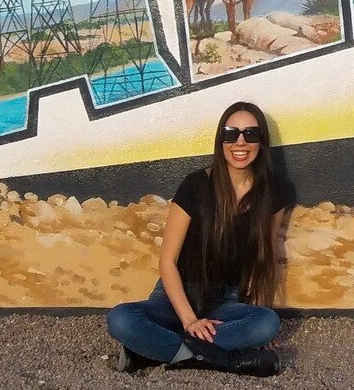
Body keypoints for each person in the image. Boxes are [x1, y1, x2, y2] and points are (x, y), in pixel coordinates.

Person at [106, 102, 288, 375]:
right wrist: (190, 320)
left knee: (266, 324)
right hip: (175, 295)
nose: (240, 142)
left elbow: (265, 259)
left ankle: (154, 352)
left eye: (251, 134)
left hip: (226, 300)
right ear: (220, 140)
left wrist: (261, 321)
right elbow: (167, 260)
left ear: (262, 142)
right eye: (231, 134)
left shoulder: (274, 193)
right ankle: (231, 360)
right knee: (120, 320)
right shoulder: (196, 185)